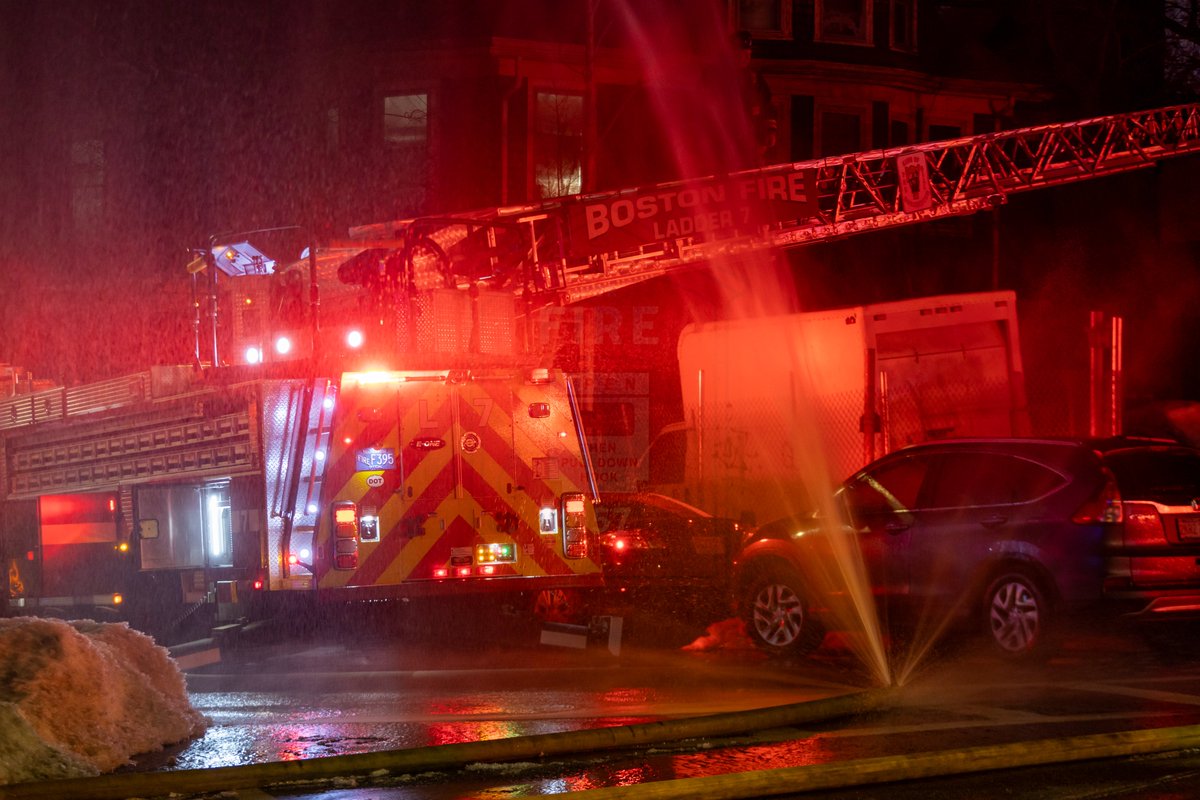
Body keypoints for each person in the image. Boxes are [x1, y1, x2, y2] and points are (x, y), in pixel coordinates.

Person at [734, 30, 779, 164]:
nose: (746, 59)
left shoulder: (755, 79)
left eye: (748, 55)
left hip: (752, 145)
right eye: (741, 55)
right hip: (727, 146)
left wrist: (770, 131)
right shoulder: (718, 78)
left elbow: (768, 106)